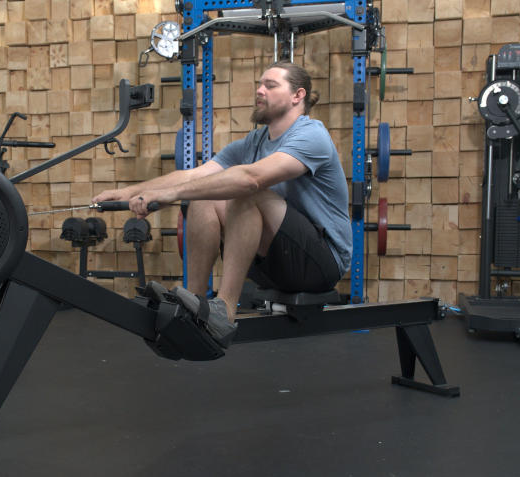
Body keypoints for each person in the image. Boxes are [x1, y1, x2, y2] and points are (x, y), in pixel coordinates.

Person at [92, 61, 352, 343]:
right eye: (259, 84)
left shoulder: (311, 135)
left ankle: (224, 312)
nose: (259, 90)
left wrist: (170, 195)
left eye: (270, 85)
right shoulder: (254, 142)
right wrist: (129, 192)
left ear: (297, 95)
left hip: (321, 265)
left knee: (244, 190)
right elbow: (194, 175)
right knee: (204, 196)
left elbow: (251, 178)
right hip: (275, 261)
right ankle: (192, 305)